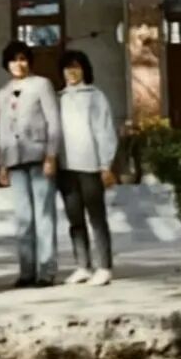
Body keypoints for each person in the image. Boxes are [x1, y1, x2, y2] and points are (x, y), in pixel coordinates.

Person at [0, 40, 61, 288]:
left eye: (22, 59)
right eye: (13, 60)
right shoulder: (3, 92)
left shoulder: (42, 84)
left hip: (39, 156)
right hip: (15, 160)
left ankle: (46, 270)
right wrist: (3, 164)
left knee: (44, 215)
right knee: (23, 217)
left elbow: (53, 122)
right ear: (7, 64)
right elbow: (4, 130)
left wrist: (51, 155)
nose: (18, 64)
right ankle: (26, 270)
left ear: (29, 61)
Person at [57, 49, 118, 287]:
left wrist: (105, 164)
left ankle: (104, 267)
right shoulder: (59, 98)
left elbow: (105, 131)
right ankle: (82, 266)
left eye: (76, 67)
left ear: (84, 70)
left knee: (97, 218)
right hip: (66, 167)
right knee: (75, 220)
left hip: (90, 166)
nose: (72, 72)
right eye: (67, 67)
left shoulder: (95, 96)